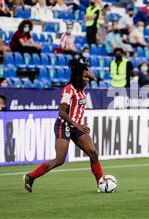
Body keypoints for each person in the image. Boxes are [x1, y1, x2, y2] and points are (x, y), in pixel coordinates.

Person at [24, 59, 108, 193]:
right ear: (78, 77)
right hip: (64, 126)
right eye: (85, 77)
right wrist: (77, 125)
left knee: (93, 154)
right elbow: (62, 113)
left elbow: (91, 79)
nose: (88, 80)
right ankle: (30, 176)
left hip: (76, 127)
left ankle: (100, 183)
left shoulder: (81, 90)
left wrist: (84, 68)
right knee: (60, 160)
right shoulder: (69, 90)